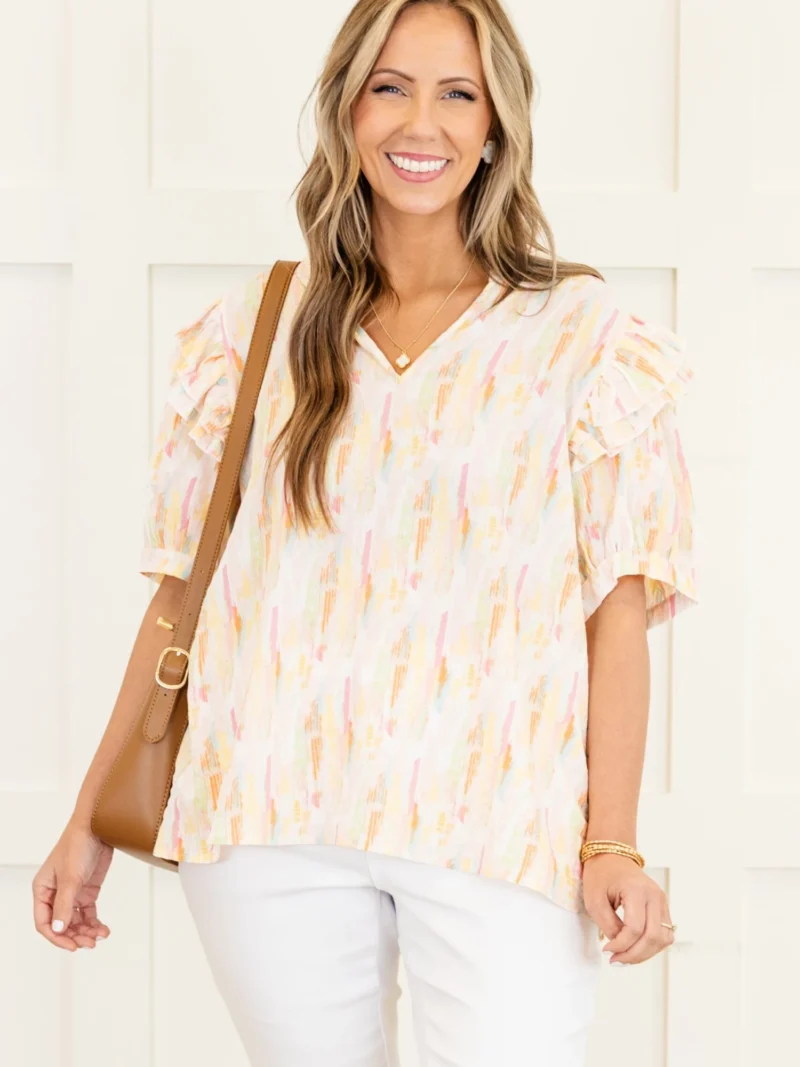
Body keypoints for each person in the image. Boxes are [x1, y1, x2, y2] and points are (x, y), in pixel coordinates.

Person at [32, 1, 699, 1064]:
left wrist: (611, 837)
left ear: (495, 124)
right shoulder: (255, 330)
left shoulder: (585, 337)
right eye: (389, 87)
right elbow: (180, 595)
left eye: (456, 93)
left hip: (498, 823)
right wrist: (88, 815)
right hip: (267, 813)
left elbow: (615, 610)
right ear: (346, 107)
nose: (419, 123)